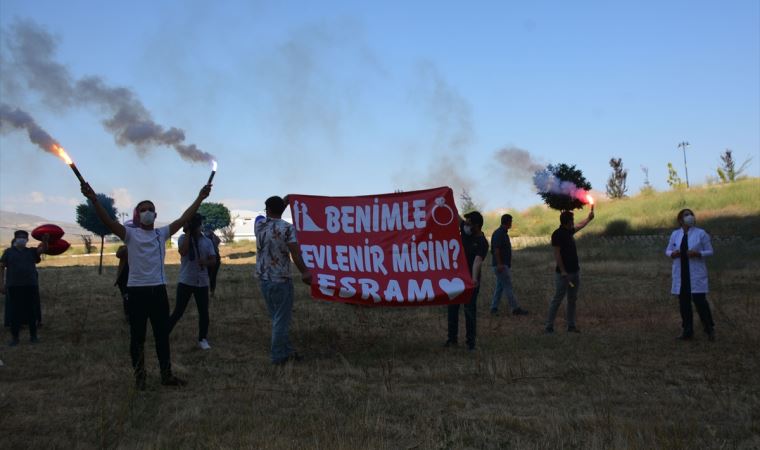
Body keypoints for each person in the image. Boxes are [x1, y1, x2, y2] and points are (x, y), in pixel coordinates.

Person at [81, 181, 211, 389]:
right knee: (137, 338)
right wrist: (93, 199)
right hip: (136, 293)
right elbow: (107, 220)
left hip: (158, 291)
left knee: (162, 336)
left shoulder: (161, 234)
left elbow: (185, 217)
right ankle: (140, 379)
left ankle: (166, 375)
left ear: (156, 215)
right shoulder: (130, 234)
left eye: (151, 209)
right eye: (143, 210)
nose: (147, 212)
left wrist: (200, 198)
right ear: (137, 215)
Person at [254, 195, 311, 365]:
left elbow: (269, 214)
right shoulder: (288, 228)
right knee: (281, 320)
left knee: (277, 318)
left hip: (264, 280)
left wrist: (283, 203)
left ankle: (286, 351)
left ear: (267, 210)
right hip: (281, 280)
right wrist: (305, 272)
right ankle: (279, 357)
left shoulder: (259, 225)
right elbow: (295, 253)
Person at [666, 209, 715, 341]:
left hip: (695, 273)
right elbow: (668, 250)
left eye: (691, 214)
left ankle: (709, 329)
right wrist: (672, 253)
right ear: (680, 220)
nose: (690, 217)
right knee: (684, 304)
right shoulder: (675, 234)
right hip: (681, 274)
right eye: (686, 215)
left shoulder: (701, 233)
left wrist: (698, 254)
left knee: (700, 302)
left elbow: (710, 251)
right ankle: (687, 331)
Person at [168, 213, 216, 350]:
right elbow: (183, 252)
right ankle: (164, 333)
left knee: (203, 312)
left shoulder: (207, 241)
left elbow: (213, 260)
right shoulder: (183, 238)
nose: (200, 227)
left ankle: (202, 338)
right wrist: (188, 233)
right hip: (186, 281)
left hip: (202, 282)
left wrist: (205, 262)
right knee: (178, 310)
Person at [545, 208, 594, 334]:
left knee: (572, 300)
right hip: (563, 275)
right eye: (572, 220)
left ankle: (571, 326)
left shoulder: (569, 231)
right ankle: (549, 326)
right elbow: (557, 254)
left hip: (574, 272)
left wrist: (589, 218)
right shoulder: (557, 234)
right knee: (557, 299)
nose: (573, 222)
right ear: (567, 222)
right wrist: (563, 271)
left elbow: (579, 226)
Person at [445, 211, 489, 351]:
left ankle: (471, 343)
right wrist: (446, 196)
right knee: (452, 308)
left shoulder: (482, 242)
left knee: (469, 311)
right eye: (466, 222)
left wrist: (474, 279)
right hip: (456, 280)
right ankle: (452, 339)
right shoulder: (466, 231)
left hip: (470, 282)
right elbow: (457, 217)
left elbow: (477, 261)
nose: (465, 225)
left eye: (469, 223)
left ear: (477, 226)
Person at [0, 230, 48, 346]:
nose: (22, 239)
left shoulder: (31, 251)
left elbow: (42, 250)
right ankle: (15, 338)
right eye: (20, 237)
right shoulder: (8, 252)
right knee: (14, 313)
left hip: (30, 285)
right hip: (14, 286)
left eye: (24, 237)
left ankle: (33, 337)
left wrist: (45, 241)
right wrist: (1, 284)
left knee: (31, 312)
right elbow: (1, 267)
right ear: (15, 239)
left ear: (27, 240)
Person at [489, 214, 529, 316]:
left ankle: (494, 308)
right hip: (501, 266)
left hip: (501, 265)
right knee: (508, 287)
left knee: (500, 287)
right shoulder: (500, 234)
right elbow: (496, 250)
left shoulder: (501, 233)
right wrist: (500, 264)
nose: (511, 223)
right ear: (507, 222)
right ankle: (515, 308)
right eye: (511, 221)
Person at [203, 224, 222, 297]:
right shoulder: (204, 237)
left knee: (212, 276)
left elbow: (218, 241)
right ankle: (209, 291)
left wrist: (213, 234)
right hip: (209, 257)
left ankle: (211, 292)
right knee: (209, 276)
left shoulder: (212, 237)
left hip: (214, 257)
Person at [115, 244, 129, 321]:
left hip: (134, 278)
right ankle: (127, 315)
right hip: (123, 278)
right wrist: (127, 247)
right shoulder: (123, 247)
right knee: (126, 296)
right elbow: (118, 255)